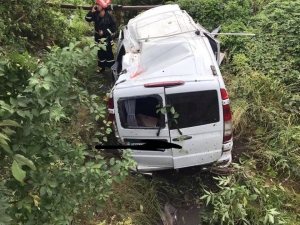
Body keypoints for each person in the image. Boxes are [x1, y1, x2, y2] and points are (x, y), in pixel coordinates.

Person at [85, 0, 117, 73]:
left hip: (107, 39)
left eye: (98, 4)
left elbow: (114, 28)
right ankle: (101, 68)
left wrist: (104, 32)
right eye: (96, 4)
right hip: (98, 38)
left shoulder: (109, 17)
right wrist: (91, 12)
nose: (96, 6)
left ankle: (111, 67)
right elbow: (87, 19)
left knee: (109, 53)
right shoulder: (95, 14)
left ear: (103, 6)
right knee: (100, 53)